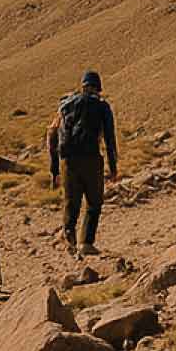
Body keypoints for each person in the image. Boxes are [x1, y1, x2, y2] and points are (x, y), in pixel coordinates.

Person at [47, 70, 118, 257]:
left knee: (71, 202)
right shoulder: (102, 106)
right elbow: (109, 139)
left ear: (83, 86)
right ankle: (86, 242)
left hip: (68, 161)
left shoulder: (65, 105)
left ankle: (69, 239)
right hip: (91, 159)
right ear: (98, 88)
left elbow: (52, 135)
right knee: (94, 203)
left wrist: (54, 169)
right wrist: (113, 167)